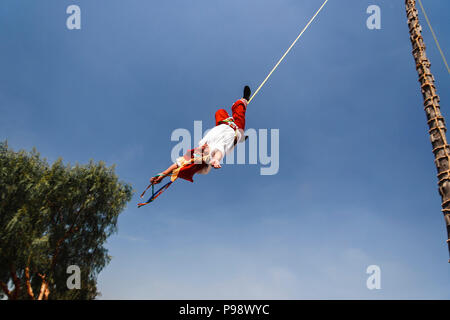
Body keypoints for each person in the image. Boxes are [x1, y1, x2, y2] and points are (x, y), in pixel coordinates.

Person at [150, 86, 251, 185]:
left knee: (220, 112)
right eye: (204, 152)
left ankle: (239, 135)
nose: (203, 149)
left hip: (223, 124)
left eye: (202, 151)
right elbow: (219, 153)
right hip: (235, 129)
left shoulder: (199, 150)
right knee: (239, 110)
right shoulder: (215, 151)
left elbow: (178, 164)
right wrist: (215, 160)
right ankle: (244, 100)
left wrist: (163, 175)